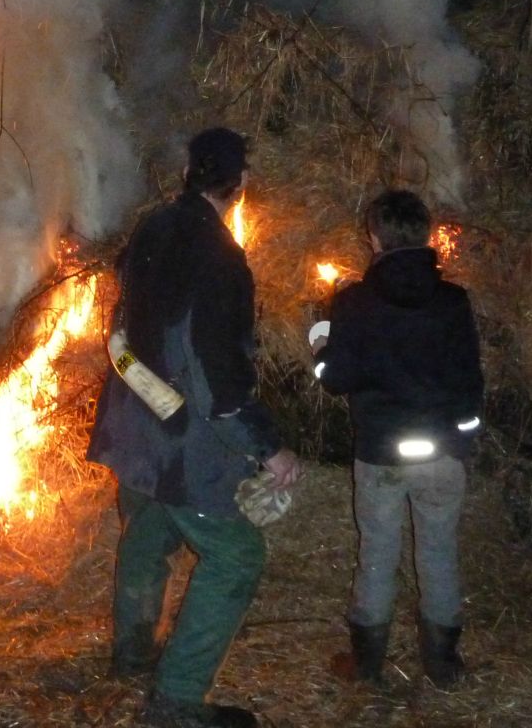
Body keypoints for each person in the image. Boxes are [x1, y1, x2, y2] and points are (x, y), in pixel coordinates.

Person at [87, 128, 302, 728]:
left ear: (188, 173)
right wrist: (268, 448)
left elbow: (127, 316)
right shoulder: (223, 261)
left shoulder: (151, 227)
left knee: (149, 530)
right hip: (180, 439)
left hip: (133, 425)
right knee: (236, 556)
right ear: (241, 184)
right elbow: (217, 378)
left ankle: (132, 655)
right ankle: (177, 701)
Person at [311, 189, 484, 688]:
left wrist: (320, 346)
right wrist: (465, 436)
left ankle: (367, 664)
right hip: (441, 452)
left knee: (378, 552)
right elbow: (470, 379)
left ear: (374, 238)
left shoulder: (354, 302)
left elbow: (337, 378)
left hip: (382, 452)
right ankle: (443, 664)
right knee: (439, 550)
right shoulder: (453, 301)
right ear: (428, 236)